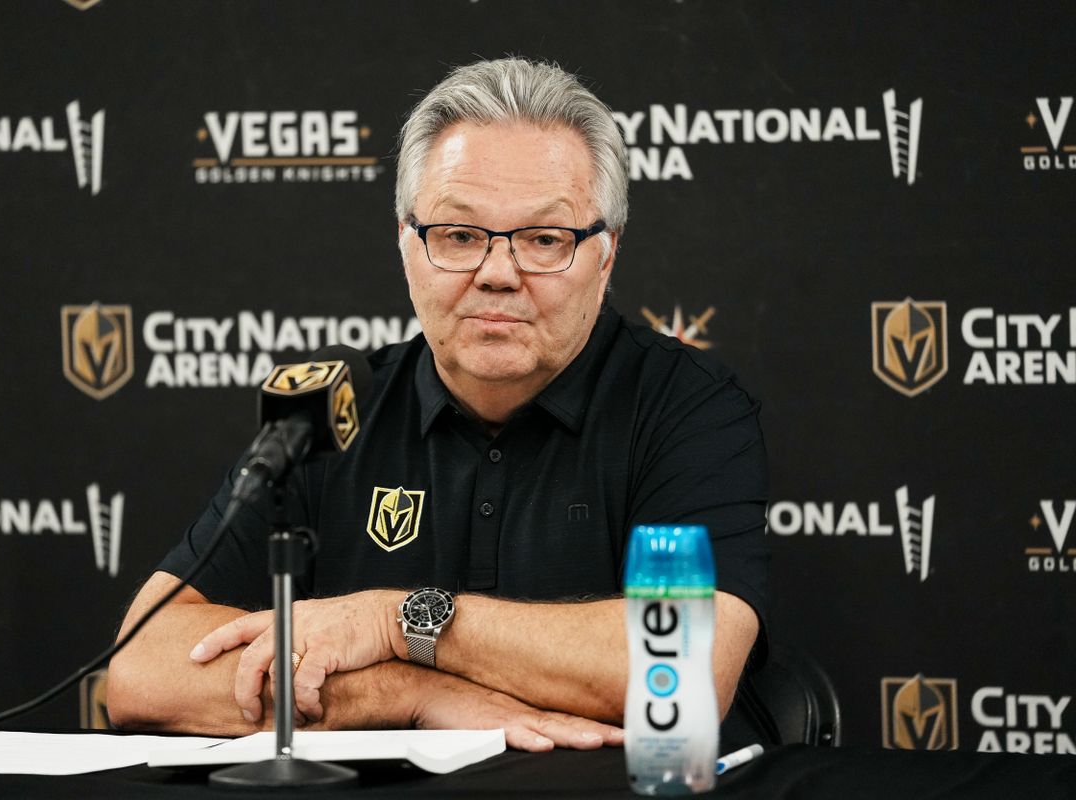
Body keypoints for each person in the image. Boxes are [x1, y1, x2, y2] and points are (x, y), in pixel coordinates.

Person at [106, 57, 768, 753]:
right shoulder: (333, 408)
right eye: (458, 235)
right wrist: (411, 693)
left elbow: (681, 674)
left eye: (545, 239)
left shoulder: (687, 408)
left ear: (606, 254)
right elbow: (139, 671)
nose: (497, 274)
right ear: (404, 243)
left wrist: (398, 622)